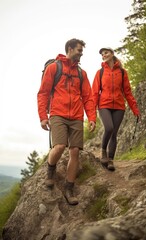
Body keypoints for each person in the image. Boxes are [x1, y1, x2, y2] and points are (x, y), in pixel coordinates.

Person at [37, 38, 96, 205]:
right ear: (70, 49)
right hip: (57, 114)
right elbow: (43, 93)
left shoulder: (81, 73)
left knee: (75, 151)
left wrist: (91, 117)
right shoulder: (54, 68)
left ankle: (69, 188)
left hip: (76, 116)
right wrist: (43, 116)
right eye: (79, 50)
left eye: (82, 51)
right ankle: (50, 170)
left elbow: (88, 97)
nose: (81, 53)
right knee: (60, 146)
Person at [92, 47, 140, 171]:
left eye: (106, 53)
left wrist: (135, 110)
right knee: (109, 128)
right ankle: (103, 152)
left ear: (112, 54)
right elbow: (95, 93)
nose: (103, 55)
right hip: (104, 105)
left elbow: (127, 92)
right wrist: (92, 114)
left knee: (114, 134)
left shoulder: (122, 72)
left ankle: (111, 160)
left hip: (119, 106)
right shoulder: (100, 72)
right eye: (102, 54)